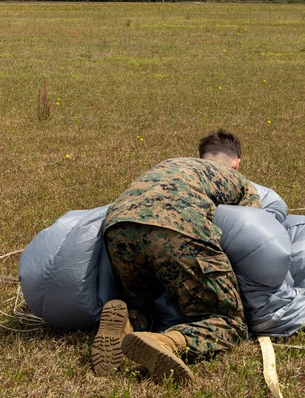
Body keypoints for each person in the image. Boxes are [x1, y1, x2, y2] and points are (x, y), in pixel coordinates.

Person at [90, 129, 262, 385]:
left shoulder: (168, 164)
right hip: (178, 230)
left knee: (146, 306)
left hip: (119, 229)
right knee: (229, 322)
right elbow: (252, 230)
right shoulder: (238, 180)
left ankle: (126, 322)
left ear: (202, 156)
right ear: (236, 162)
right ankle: (166, 342)